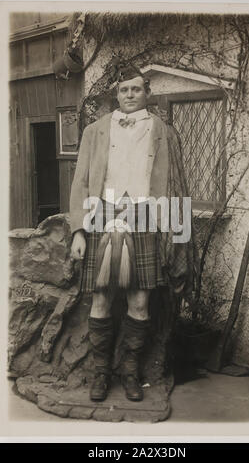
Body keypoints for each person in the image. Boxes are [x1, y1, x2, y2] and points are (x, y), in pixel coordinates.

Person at [70, 62, 190, 403]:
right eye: (124, 90)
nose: (130, 95)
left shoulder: (163, 131)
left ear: (147, 93)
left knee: (140, 301)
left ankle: (132, 374)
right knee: (101, 299)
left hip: (145, 217)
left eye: (136, 89)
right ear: (116, 94)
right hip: (100, 216)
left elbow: (177, 184)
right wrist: (78, 230)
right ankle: (100, 375)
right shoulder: (95, 130)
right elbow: (79, 182)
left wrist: (176, 236)